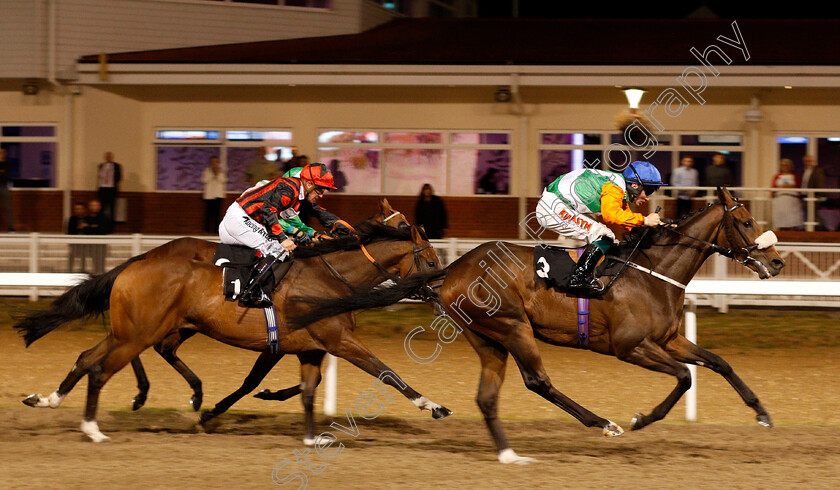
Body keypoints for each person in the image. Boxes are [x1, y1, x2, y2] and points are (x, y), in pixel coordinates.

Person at [535, 161, 668, 295]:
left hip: (558, 204)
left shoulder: (619, 187)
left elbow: (627, 220)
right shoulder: (614, 188)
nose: (648, 198)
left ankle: (583, 273)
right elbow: (611, 216)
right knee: (604, 236)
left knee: (606, 237)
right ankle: (577, 278)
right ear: (635, 185)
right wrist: (645, 220)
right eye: (648, 191)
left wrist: (660, 226)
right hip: (554, 208)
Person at [218, 162, 339, 307]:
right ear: (308, 184)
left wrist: (305, 234)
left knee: (281, 249)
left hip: (243, 220)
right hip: (240, 218)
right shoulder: (289, 188)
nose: (321, 195)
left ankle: (251, 285)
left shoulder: (297, 197)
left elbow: (287, 222)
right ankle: (251, 292)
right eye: (320, 190)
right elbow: (268, 211)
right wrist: (282, 239)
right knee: (280, 250)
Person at [279, 165, 353, 240]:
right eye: (319, 190)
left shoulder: (301, 198)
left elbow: (319, 213)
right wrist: (297, 232)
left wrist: (314, 233)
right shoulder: (283, 196)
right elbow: (270, 219)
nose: (321, 196)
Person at [771, 159, 803, 231]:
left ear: (791, 166)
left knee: (792, 219)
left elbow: (799, 188)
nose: (785, 167)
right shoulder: (777, 176)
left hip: (792, 201)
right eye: (783, 165)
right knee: (781, 218)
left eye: (787, 165)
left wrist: (791, 187)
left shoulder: (795, 176)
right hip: (780, 200)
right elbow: (773, 189)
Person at [82, 199, 111, 274]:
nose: (94, 207)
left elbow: (103, 229)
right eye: (92, 205)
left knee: (101, 260)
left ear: (100, 207)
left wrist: (90, 227)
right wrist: (94, 227)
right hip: (91, 243)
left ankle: (101, 274)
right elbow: (85, 230)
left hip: (101, 243)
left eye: (96, 205)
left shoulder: (104, 218)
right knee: (93, 260)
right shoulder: (86, 218)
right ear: (89, 207)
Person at [801, 154, 827, 230]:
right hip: (806, 196)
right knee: (808, 214)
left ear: (814, 162)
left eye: (809, 161)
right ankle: (810, 229)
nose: (807, 163)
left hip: (814, 196)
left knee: (814, 214)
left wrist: (819, 195)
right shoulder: (804, 171)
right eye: (806, 161)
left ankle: (820, 229)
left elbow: (820, 184)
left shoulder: (818, 171)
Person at [201, 156, 227, 233]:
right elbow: (205, 180)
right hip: (209, 195)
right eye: (213, 162)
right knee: (208, 214)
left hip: (218, 195)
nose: (214, 163)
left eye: (216, 162)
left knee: (217, 214)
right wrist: (212, 173)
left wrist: (217, 173)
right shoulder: (206, 171)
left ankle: (216, 230)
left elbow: (223, 180)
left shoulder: (221, 172)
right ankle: (207, 230)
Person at [97, 152, 122, 223]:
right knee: (101, 208)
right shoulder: (101, 165)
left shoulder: (116, 166)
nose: (108, 157)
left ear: (112, 157)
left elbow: (119, 176)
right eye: (107, 156)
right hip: (102, 188)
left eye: (109, 156)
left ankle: (111, 226)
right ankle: (101, 224)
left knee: (112, 208)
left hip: (111, 188)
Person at [67, 202, 88, 271]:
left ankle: (83, 269)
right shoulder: (72, 219)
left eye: (80, 209)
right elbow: (70, 230)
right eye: (77, 209)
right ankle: (69, 270)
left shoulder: (87, 218)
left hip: (85, 242)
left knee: (83, 256)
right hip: (74, 241)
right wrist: (79, 227)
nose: (79, 210)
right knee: (71, 256)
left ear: (84, 209)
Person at [0, 148, 13, 231]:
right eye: (0, 153)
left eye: (3, 153)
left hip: (4, 186)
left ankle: (10, 227)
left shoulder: (7, 164)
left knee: (8, 208)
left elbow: (7, 176)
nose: (2, 154)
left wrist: (2, 173)